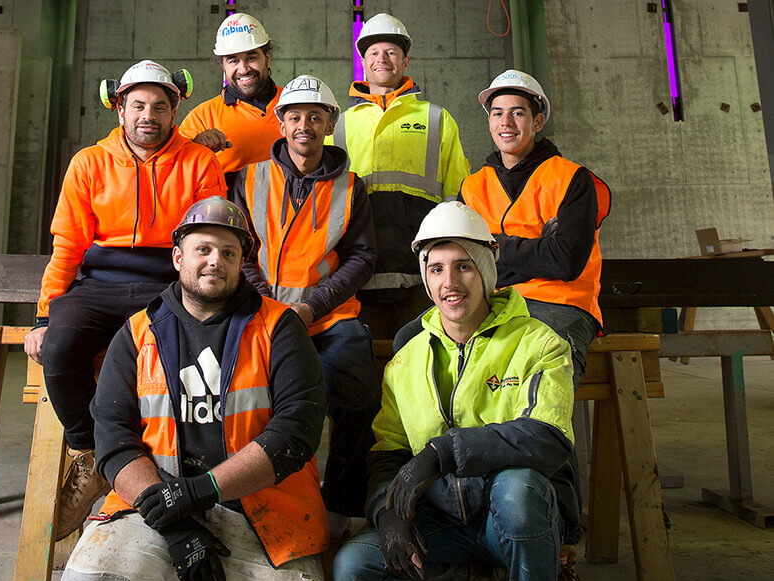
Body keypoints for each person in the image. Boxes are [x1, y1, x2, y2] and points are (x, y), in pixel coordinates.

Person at [58, 197, 329, 581]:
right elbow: (113, 440)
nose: (215, 261)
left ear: (241, 264)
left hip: (261, 509)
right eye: (202, 249)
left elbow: (295, 435)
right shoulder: (137, 334)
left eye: (228, 252)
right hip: (156, 506)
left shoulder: (279, 327)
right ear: (177, 257)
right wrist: (176, 524)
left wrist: (200, 492)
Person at [332, 201, 581, 581]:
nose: (450, 282)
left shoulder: (539, 343)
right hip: (444, 521)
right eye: (436, 269)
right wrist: (387, 512)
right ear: (427, 280)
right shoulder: (406, 360)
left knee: (518, 491)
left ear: (486, 271)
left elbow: (546, 436)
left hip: (513, 521)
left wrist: (442, 452)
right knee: (353, 571)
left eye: (464, 266)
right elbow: (389, 454)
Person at [23, 60, 227, 541]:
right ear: (119, 109)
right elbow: (67, 247)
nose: (148, 115)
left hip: (168, 281)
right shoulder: (88, 163)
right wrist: (42, 315)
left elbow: (209, 237)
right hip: (98, 283)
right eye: (137, 105)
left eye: (159, 106)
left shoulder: (200, 163)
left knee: (191, 359)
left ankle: (174, 466)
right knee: (58, 349)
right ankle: (94, 453)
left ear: (175, 109)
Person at [230, 74, 378, 534]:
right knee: (244, 404)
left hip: (330, 319)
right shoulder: (251, 179)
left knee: (359, 399)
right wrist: (270, 305)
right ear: (280, 123)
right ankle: (254, 506)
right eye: (294, 116)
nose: (304, 126)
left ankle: (340, 509)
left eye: (315, 117)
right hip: (263, 315)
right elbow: (242, 252)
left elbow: (362, 257)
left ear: (330, 125)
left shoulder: (351, 186)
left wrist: (312, 307)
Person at [461, 69, 611, 389]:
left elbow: (565, 261)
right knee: (410, 343)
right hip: (492, 303)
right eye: (498, 113)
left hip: (560, 304)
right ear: (489, 121)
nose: (507, 123)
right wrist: (537, 249)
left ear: (537, 122)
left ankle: (537, 437)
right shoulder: (473, 187)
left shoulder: (571, 179)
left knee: (539, 380)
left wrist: (496, 249)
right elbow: (467, 261)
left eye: (519, 113)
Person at [328, 12, 470, 338]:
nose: (382, 59)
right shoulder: (338, 125)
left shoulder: (437, 119)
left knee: (421, 367)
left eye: (391, 52)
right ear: (363, 61)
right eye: (374, 53)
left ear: (405, 61)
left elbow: (458, 197)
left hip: (422, 274)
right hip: (357, 274)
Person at [179, 13, 284, 188]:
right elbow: (177, 180)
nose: (243, 69)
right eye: (233, 60)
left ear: (268, 58)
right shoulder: (201, 119)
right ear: (223, 66)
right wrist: (195, 151)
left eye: (251, 57)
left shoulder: (293, 104)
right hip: (229, 214)